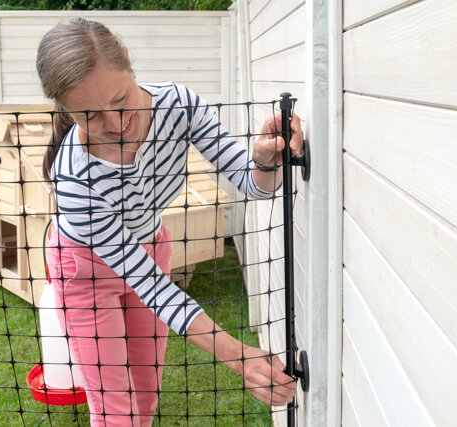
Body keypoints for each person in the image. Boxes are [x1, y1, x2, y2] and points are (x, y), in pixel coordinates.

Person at [36, 17, 303, 427]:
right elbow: (152, 287)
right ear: (67, 112)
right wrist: (239, 356)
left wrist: (268, 161)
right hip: (84, 269)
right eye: (90, 116)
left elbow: (252, 183)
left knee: (144, 393)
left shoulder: (179, 104)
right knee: (115, 411)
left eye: (120, 99)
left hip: (151, 245)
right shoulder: (74, 177)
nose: (113, 123)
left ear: (128, 62)